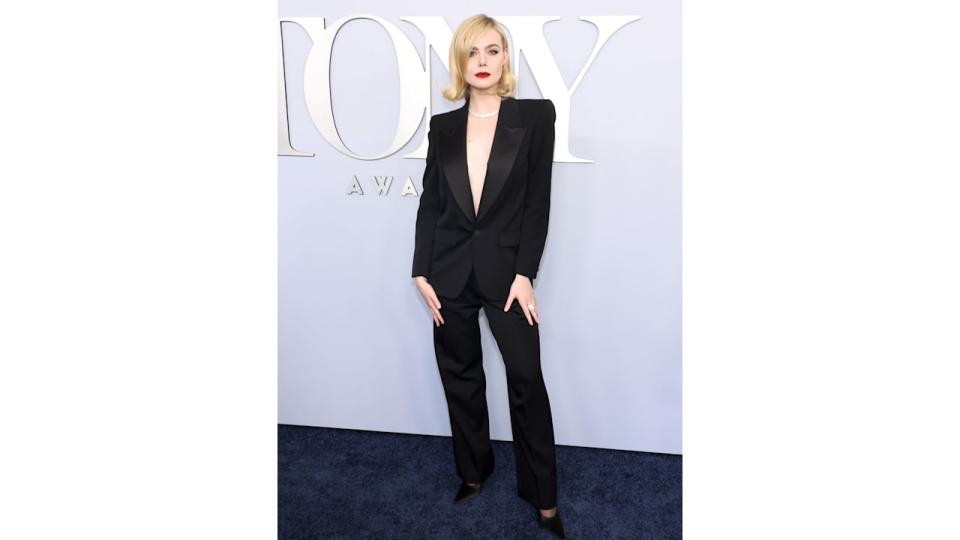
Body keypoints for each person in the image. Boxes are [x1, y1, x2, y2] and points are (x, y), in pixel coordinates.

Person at [411, 14, 564, 539]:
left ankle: (544, 499)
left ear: (505, 60)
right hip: (447, 275)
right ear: (461, 61)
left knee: (526, 384)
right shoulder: (443, 126)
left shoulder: (535, 118)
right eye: (473, 52)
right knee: (461, 379)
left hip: (507, 278)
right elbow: (432, 203)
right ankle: (473, 472)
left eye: (493, 51)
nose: (482, 62)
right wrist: (420, 271)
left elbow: (537, 206)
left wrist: (526, 274)